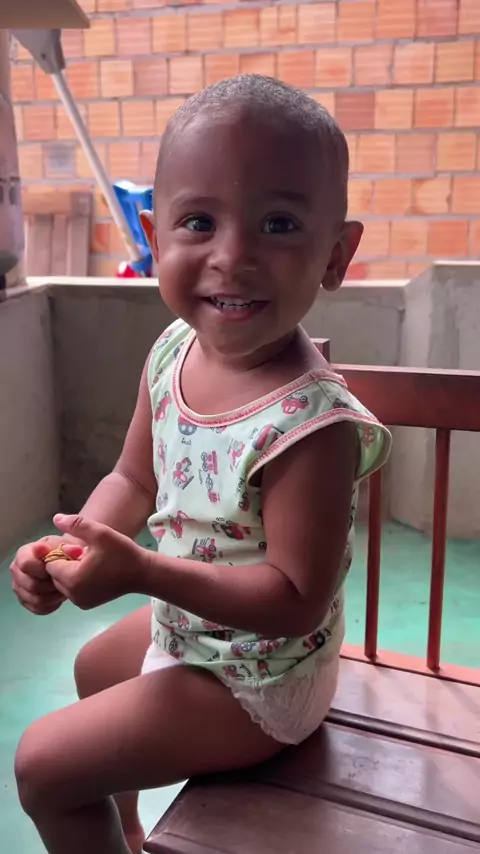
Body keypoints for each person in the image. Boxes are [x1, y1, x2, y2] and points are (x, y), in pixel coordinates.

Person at [10, 75, 391, 854]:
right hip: (194, 630)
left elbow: (293, 600)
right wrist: (70, 548)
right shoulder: (172, 352)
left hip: (263, 678)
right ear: (156, 237)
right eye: (199, 221)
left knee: (41, 765)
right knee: (93, 668)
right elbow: (132, 480)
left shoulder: (310, 425)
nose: (232, 256)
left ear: (335, 255)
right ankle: (126, 830)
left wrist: (143, 572)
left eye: (278, 224)